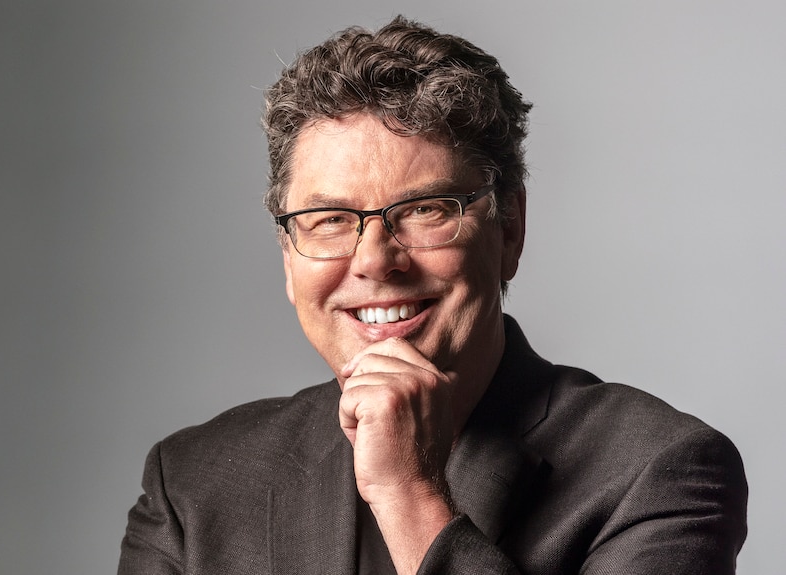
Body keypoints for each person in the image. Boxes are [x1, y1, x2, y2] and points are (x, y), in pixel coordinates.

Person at [118, 16, 747, 574]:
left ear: (509, 228)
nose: (374, 261)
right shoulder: (193, 483)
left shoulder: (659, 469)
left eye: (425, 209)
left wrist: (409, 494)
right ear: (288, 255)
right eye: (329, 219)